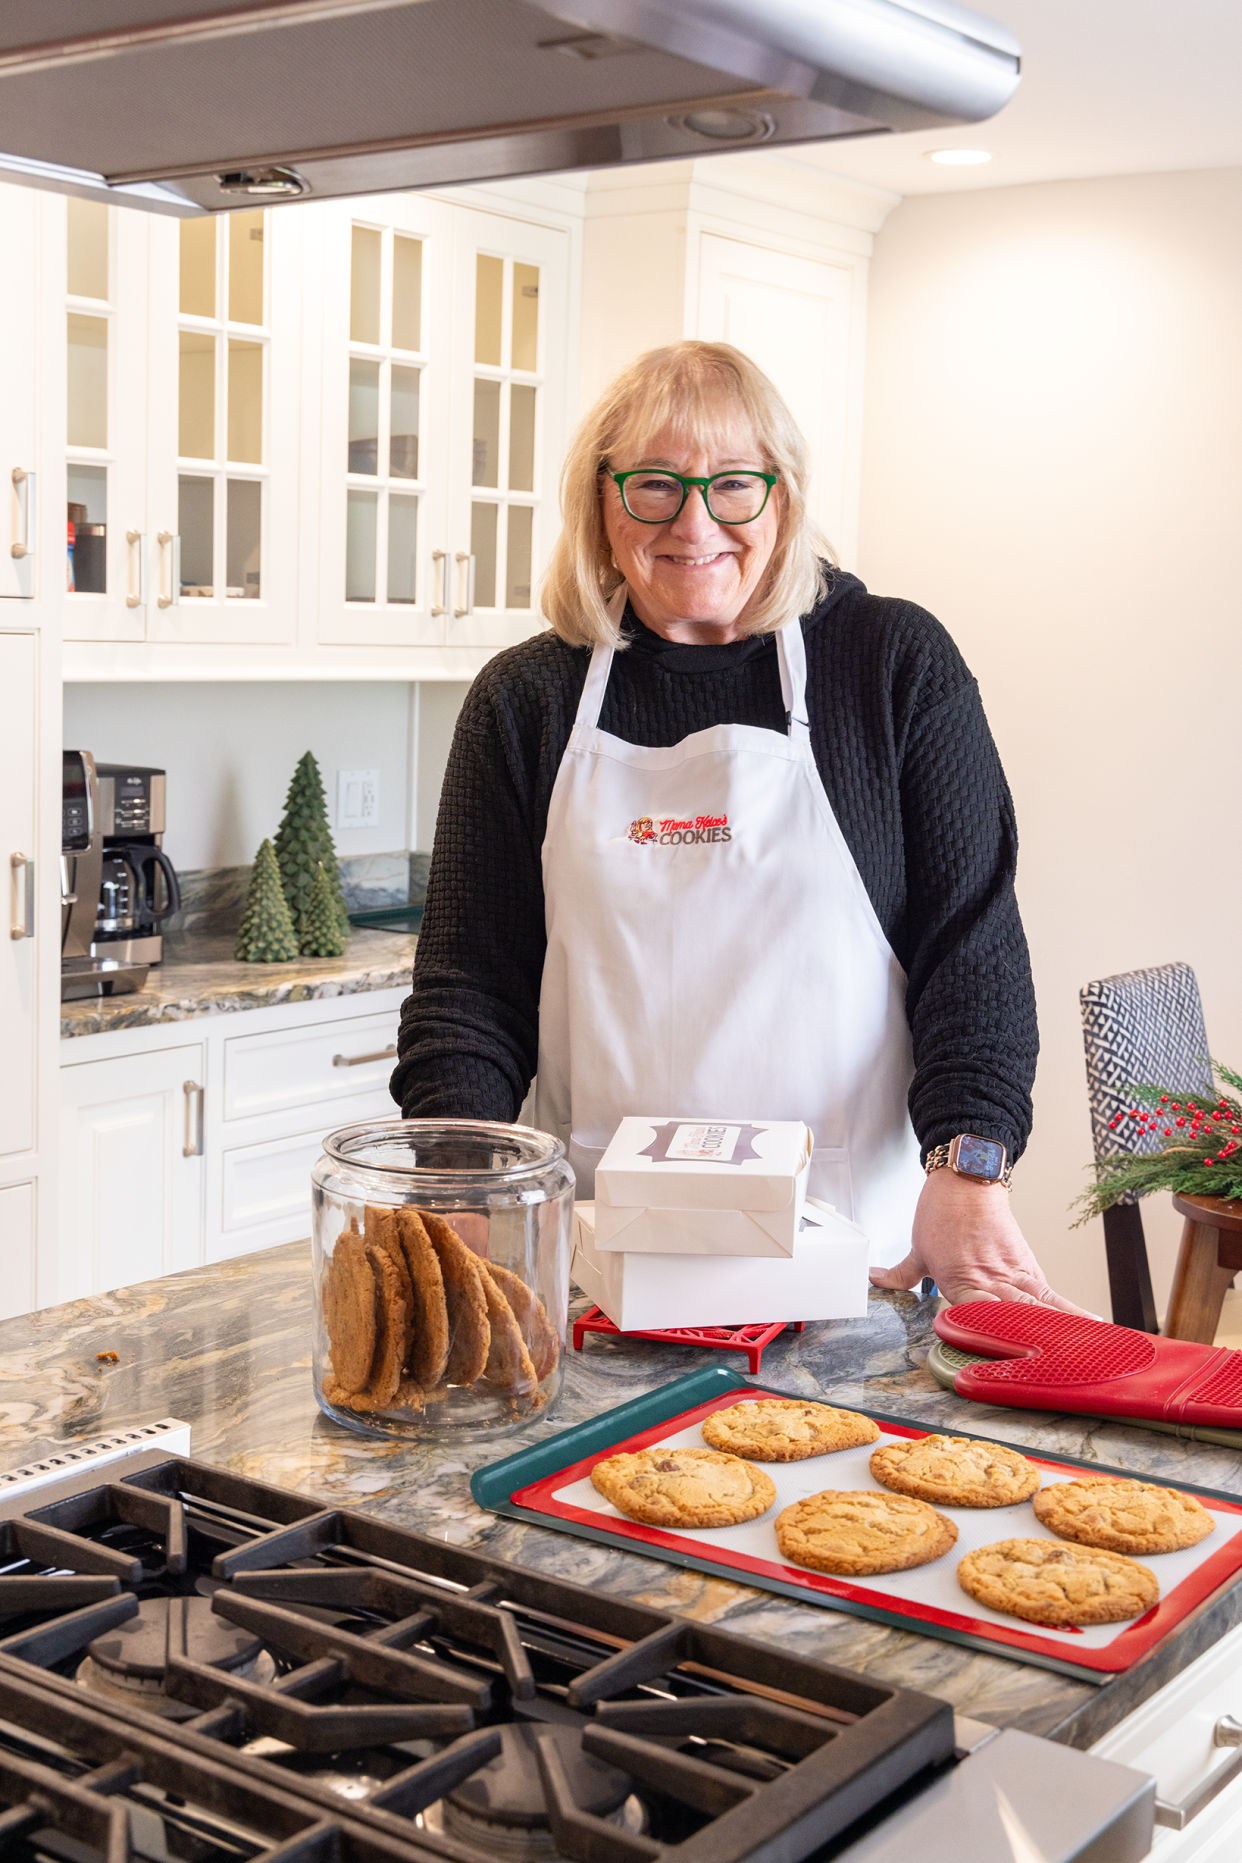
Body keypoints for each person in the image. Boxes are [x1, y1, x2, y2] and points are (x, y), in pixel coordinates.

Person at [391, 341, 1083, 1310]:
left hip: (852, 1256)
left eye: (733, 485)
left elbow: (972, 953)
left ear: (784, 499)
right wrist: (458, 1176)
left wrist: (970, 1167)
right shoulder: (528, 697)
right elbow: (472, 984)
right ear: (601, 501)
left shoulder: (891, 666)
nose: (694, 522)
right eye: (653, 486)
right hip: (597, 1252)